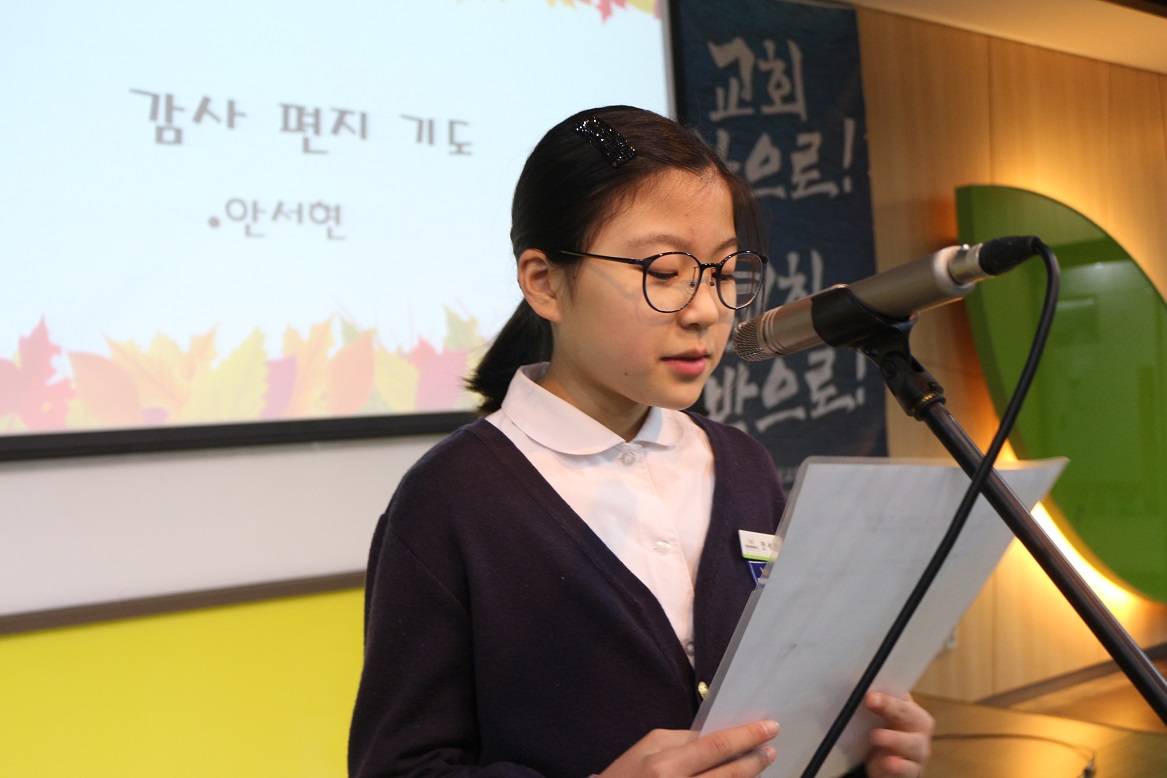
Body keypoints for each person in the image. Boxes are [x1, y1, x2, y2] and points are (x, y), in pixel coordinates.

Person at [349, 105, 933, 778]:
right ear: (544, 283)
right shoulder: (452, 498)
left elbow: (780, 708)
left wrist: (858, 750)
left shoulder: (741, 464)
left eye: (724, 273)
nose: (705, 310)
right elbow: (398, 766)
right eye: (662, 271)